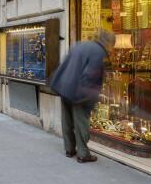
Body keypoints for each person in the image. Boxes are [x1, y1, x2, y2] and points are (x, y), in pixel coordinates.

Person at [49, 29, 115, 164]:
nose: (111, 49)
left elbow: (65, 64)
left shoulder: (80, 45)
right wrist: (88, 96)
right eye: (112, 45)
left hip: (64, 86)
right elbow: (90, 75)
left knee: (66, 120)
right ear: (108, 42)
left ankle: (69, 149)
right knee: (81, 122)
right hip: (79, 91)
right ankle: (83, 154)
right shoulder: (98, 52)